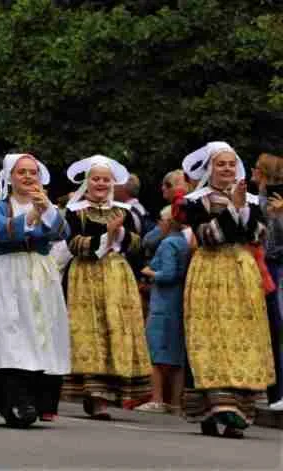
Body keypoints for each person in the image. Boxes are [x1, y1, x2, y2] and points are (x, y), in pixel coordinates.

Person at [173, 141, 274, 438]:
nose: (227, 168)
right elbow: (207, 236)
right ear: (209, 169)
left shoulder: (253, 201)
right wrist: (234, 209)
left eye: (231, 163)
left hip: (242, 272)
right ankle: (215, 407)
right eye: (221, 164)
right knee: (210, 336)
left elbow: (258, 235)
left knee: (242, 337)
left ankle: (236, 412)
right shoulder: (195, 202)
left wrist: (241, 207)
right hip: (209, 271)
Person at [0, 153, 70, 428]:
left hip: (39, 275)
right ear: (9, 177)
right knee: (10, 335)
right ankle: (15, 401)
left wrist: (45, 209)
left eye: (32, 172)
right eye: (21, 172)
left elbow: (62, 231)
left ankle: (36, 400)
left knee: (39, 333)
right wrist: (34, 217)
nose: (27, 177)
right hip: (5, 275)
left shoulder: (47, 205)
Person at [62, 155, 152, 419]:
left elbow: (138, 245)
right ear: (87, 182)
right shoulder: (74, 210)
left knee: (115, 329)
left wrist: (120, 236)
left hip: (117, 276)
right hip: (85, 276)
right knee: (90, 330)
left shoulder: (125, 211)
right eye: (96, 179)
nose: (101, 183)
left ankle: (108, 391)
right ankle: (93, 392)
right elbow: (72, 243)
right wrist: (105, 237)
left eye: (105, 179)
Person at [135, 206, 189, 415]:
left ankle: (156, 398)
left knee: (156, 351)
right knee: (176, 355)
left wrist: (150, 272)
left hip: (163, 303)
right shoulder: (183, 242)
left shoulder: (167, 244)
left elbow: (168, 274)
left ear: (167, 222)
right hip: (177, 303)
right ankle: (174, 401)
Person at [254, 153, 283, 411]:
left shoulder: (270, 202)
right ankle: (269, 389)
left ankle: (278, 391)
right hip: (262, 265)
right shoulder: (257, 199)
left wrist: (277, 216)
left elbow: (273, 242)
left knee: (276, 326)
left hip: (273, 268)